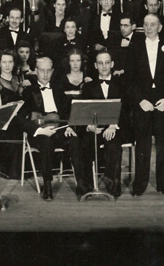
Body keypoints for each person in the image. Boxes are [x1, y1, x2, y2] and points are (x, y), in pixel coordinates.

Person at [125, 13, 164, 196]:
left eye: (152, 24)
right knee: (142, 145)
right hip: (143, 102)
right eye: (146, 24)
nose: (149, 28)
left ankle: (163, 184)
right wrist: (140, 100)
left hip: (163, 102)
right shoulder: (135, 46)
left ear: (160, 27)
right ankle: (140, 184)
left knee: (163, 145)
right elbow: (129, 79)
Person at [23, 56, 86, 200]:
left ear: (52, 71)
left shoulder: (58, 89)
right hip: (41, 131)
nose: (45, 74)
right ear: (36, 71)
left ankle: (81, 183)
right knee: (45, 142)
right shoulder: (29, 91)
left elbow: (68, 111)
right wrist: (39, 130)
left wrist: (70, 126)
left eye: (48, 71)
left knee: (75, 141)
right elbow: (20, 118)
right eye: (42, 71)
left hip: (60, 129)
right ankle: (47, 184)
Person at [80, 50, 128, 198]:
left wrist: (113, 125)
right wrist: (89, 126)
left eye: (107, 62)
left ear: (112, 64)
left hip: (116, 127)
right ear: (95, 65)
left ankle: (113, 182)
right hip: (96, 129)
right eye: (100, 63)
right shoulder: (88, 87)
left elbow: (127, 110)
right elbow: (84, 110)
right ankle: (87, 184)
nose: (104, 66)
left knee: (113, 143)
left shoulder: (122, 84)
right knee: (85, 143)